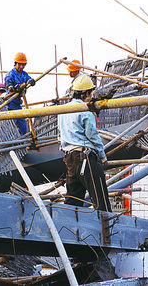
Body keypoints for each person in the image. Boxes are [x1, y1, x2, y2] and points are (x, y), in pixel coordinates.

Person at [58, 74, 112, 212]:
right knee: (102, 205)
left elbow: (61, 136)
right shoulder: (85, 110)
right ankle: (108, 231)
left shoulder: (62, 111)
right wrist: (102, 156)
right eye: (91, 93)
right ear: (86, 94)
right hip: (86, 158)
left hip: (70, 160)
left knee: (72, 205)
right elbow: (92, 135)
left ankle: (67, 231)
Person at [4, 52, 35, 136]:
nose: (21, 67)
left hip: (18, 103)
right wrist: (13, 88)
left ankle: (22, 141)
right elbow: (8, 85)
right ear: (15, 63)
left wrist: (31, 81)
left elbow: (29, 79)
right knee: (13, 126)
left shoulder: (24, 74)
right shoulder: (10, 74)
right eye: (20, 64)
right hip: (11, 104)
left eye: (23, 65)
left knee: (23, 126)